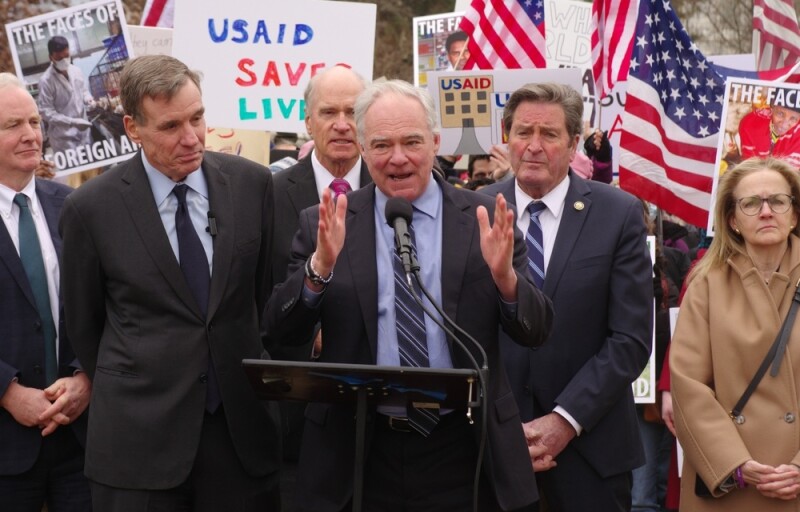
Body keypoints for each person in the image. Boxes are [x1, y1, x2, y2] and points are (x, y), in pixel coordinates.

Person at [264, 78, 553, 511]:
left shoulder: (484, 220)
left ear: (435, 143)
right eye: (381, 145)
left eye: (412, 142)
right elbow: (280, 332)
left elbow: (536, 329)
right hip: (358, 449)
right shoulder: (325, 224)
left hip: (465, 448)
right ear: (362, 148)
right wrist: (318, 269)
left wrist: (505, 279)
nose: (397, 158)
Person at [59, 55, 281, 511]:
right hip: (137, 447)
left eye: (197, 118)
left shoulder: (252, 185)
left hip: (239, 437)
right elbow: (83, 324)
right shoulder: (91, 209)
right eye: (170, 126)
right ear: (132, 127)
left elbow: (263, 296)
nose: (191, 138)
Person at [481, 82, 653, 511]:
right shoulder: (474, 210)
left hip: (590, 454)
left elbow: (630, 340)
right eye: (523, 132)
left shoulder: (619, 213)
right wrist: (501, 427)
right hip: (495, 450)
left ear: (575, 142)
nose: (533, 146)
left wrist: (565, 420)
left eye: (549, 134)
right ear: (507, 137)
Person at [671, 157, 800, 511]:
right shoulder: (705, 283)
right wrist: (735, 464)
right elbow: (688, 386)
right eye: (751, 203)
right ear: (732, 220)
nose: (766, 212)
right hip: (731, 483)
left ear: (794, 214)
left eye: (778, 201)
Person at [0, 72, 91, 511]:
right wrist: (8, 392)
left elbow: (106, 306)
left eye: (35, 122)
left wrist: (84, 377)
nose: (31, 134)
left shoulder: (74, 206)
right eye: (13, 125)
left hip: (79, 441)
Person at [38, 35, 95, 159]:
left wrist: (88, 99)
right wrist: (72, 122)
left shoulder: (76, 71)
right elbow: (46, 112)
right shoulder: (46, 81)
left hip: (84, 134)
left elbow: (83, 90)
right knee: (75, 176)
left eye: (67, 56)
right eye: (59, 58)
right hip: (64, 140)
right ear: (51, 57)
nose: (64, 60)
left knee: (93, 170)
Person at [736, 101, 800, 168]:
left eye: (793, 119)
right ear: (772, 108)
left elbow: (789, 174)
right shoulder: (750, 124)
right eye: (780, 114)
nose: (784, 125)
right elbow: (749, 167)